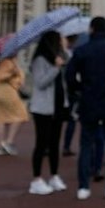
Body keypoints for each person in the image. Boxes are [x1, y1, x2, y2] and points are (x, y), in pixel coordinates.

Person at [67, 17, 105, 200]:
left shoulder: (81, 50)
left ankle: (83, 187)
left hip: (89, 101)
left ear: (92, 29)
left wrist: (79, 90)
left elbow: (69, 77)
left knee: (86, 145)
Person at [26, 32, 70, 195]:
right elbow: (40, 82)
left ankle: (54, 175)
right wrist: (56, 68)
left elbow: (69, 60)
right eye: (59, 41)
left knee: (54, 144)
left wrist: (64, 51)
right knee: (41, 143)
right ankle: (36, 179)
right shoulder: (40, 60)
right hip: (43, 108)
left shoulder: (58, 58)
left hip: (58, 106)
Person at [0, 49, 29, 157]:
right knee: (21, 114)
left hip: (0, 90)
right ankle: (9, 142)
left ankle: (2, 145)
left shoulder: (8, 61)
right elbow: (0, 76)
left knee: (1, 118)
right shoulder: (7, 62)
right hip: (7, 91)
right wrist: (13, 72)